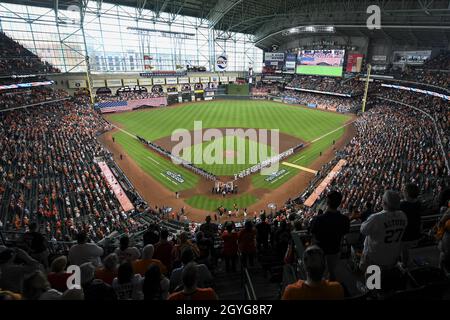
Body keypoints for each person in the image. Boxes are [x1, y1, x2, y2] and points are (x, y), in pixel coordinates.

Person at [360, 190, 408, 271]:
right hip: (392, 255)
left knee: (373, 281)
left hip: (375, 256)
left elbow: (363, 230)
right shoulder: (403, 215)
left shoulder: (376, 218)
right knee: (386, 279)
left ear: (384, 203)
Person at [310, 191, 350, 280]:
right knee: (333, 274)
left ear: (327, 202)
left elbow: (313, 237)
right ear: (340, 203)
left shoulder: (317, 219)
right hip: (335, 251)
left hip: (320, 253)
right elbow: (343, 235)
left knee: (320, 276)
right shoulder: (345, 220)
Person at [400, 183, 423, 265]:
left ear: (406, 193)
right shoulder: (419, 204)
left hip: (405, 234)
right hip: (416, 232)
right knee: (407, 249)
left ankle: (405, 265)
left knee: (404, 250)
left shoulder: (402, 205)